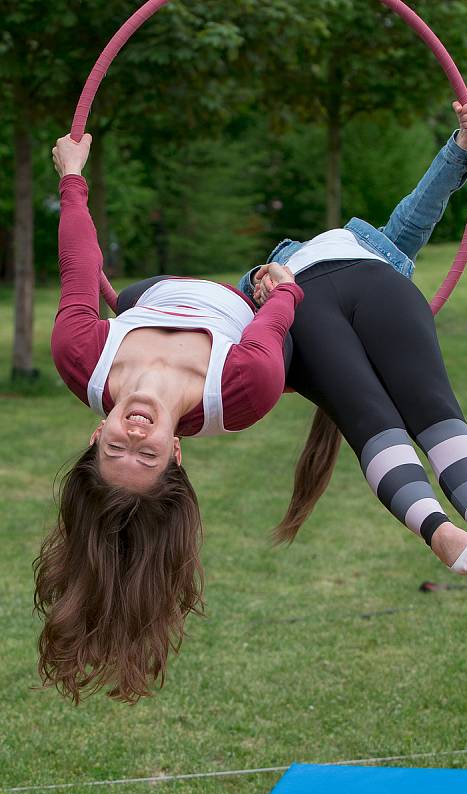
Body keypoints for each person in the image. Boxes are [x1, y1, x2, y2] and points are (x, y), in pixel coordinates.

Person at [34, 134, 303, 704]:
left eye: (115, 451)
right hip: (239, 307)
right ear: (175, 452)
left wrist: (73, 176)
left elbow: (80, 269)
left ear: (95, 435)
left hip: (147, 295)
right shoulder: (244, 393)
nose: (133, 435)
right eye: (148, 454)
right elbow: (276, 318)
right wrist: (282, 292)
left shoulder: (81, 359)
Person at [237, 100, 467, 587]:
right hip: (307, 304)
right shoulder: (268, 288)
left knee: (430, 409)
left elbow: (419, 211)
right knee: (380, 421)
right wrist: (260, 283)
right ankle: (442, 535)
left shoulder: (367, 244)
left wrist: (462, 142)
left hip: (370, 285)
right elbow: (212, 313)